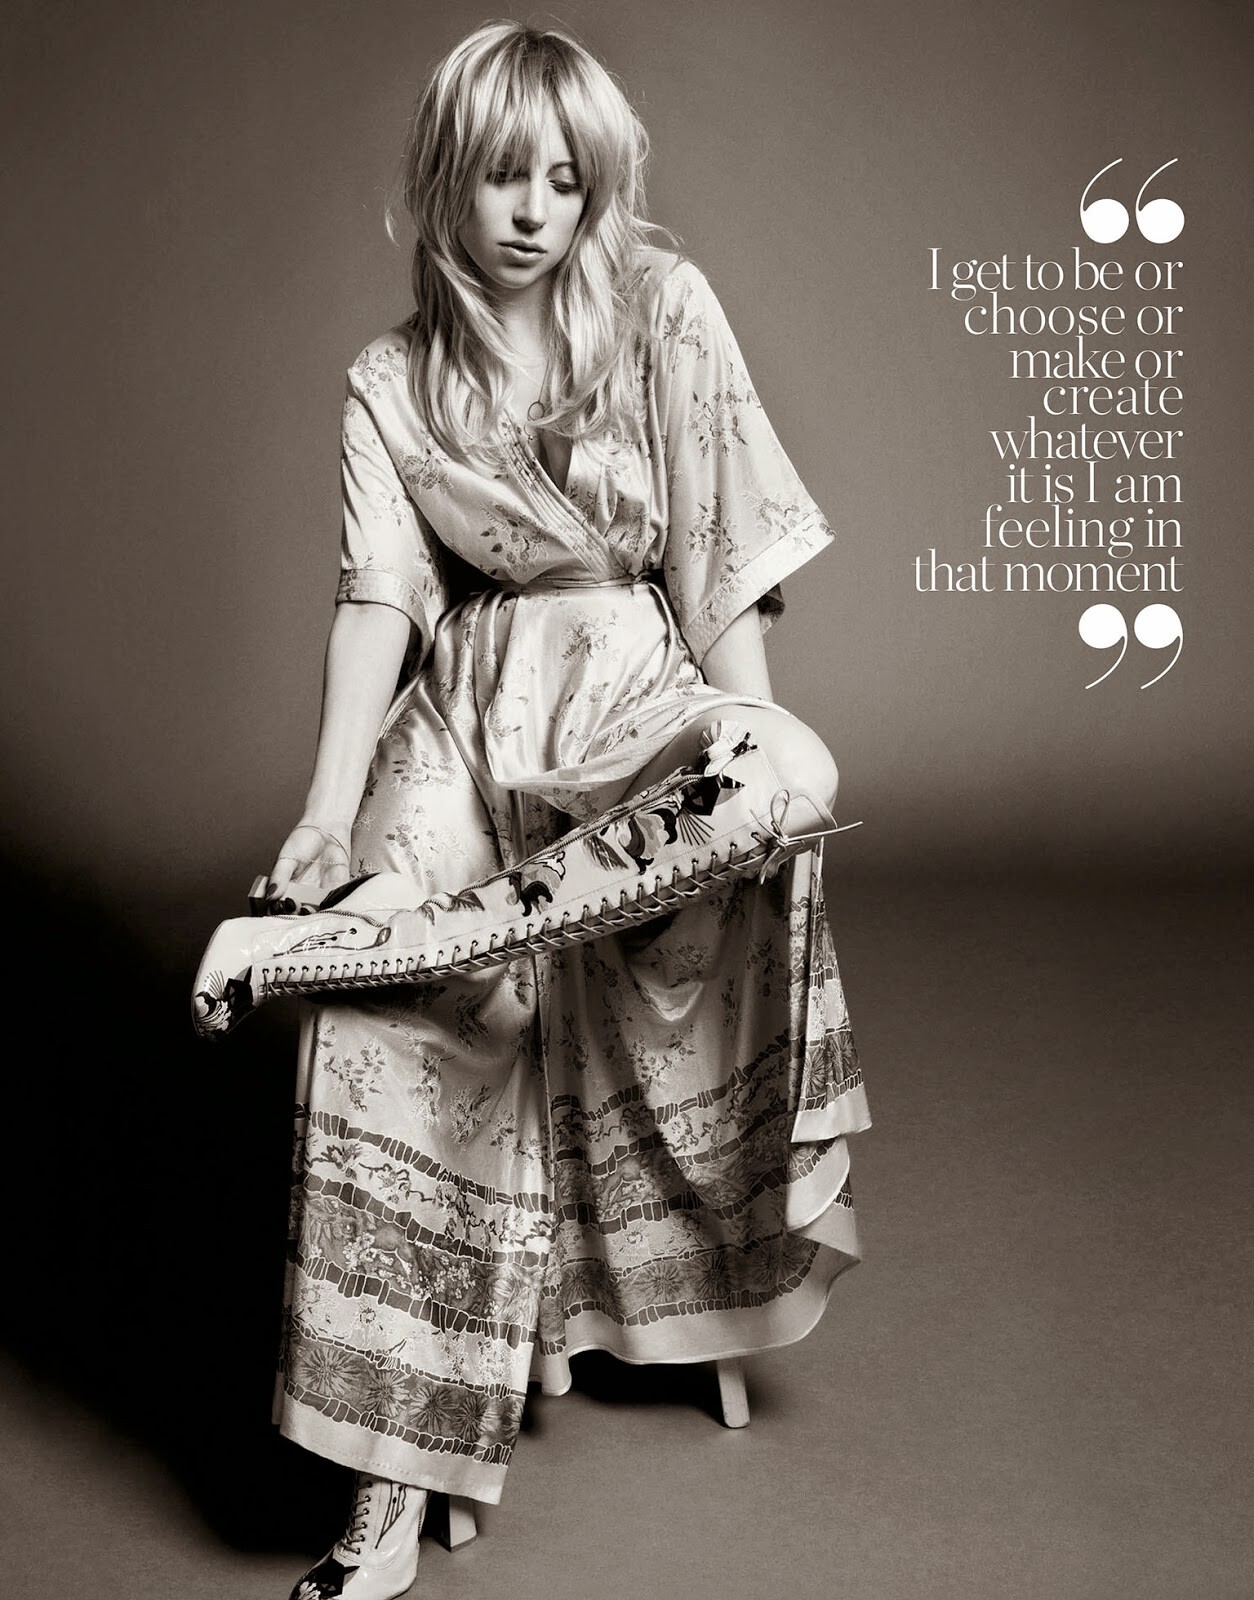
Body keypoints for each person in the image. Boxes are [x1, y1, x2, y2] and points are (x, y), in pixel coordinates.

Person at [194, 20, 869, 1599]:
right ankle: (379, 1495)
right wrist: (325, 816)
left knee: (795, 771)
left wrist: (745, 744)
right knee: (396, 1021)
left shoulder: (661, 306)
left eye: (566, 180)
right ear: (447, 176)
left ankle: (369, 941)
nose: (534, 211)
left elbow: (720, 559)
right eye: (505, 174)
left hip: (631, 697)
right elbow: (378, 601)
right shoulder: (389, 380)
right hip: (466, 724)